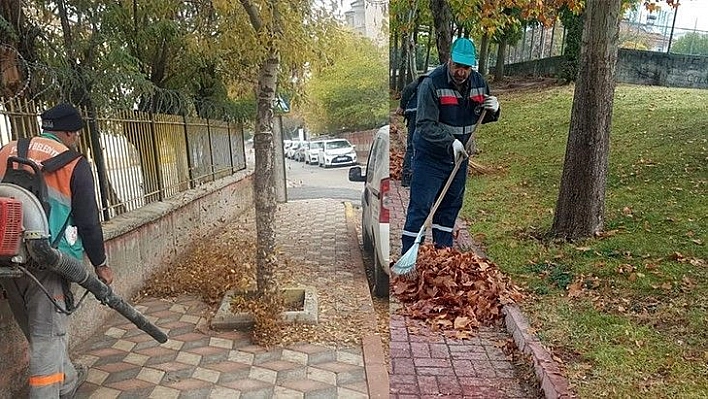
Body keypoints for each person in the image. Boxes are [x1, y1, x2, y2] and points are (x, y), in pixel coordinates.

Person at [0, 103, 114, 399]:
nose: (75, 138)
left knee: (40, 335)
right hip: (49, 265)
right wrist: (101, 264)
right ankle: (50, 392)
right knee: (47, 338)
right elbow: (88, 221)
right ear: (69, 132)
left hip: (8, 259)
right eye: (75, 134)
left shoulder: (7, 150)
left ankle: (67, 380)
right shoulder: (74, 163)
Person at [401, 38, 500, 255]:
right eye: (457, 66)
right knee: (421, 208)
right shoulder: (432, 83)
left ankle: (442, 254)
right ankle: (408, 259)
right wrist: (450, 142)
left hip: (459, 158)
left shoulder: (479, 83)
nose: (461, 72)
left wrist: (494, 109)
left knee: (449, 209)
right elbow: (425, 125)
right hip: (430, 157)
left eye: (466, 67)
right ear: (449, 61)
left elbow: (482, 116)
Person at [396, 71, 430, 187]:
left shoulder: (426, 78)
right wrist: (402, 106)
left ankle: (409, 175)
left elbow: (407, 90)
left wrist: (403, 107)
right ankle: (408, 175)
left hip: (417, 113)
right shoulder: (429, 78)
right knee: (414, 144)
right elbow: (407, 90)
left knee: (414, 144)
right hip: (418, 113)